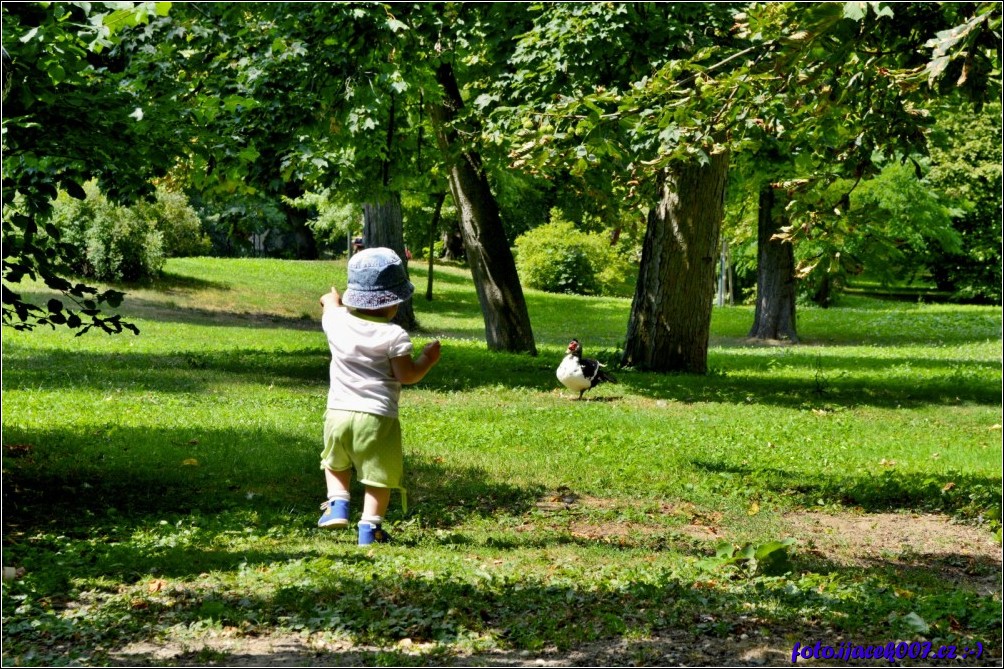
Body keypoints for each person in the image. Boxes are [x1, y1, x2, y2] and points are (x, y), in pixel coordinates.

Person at [317, 247, 441, 545]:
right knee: (378, 475)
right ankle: (369, 529)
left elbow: (329, 304)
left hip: (337, 413)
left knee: (334, 461)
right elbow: (406, 375)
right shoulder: (394, 336)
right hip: (376, 417)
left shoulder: (336, 321)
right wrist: (427, 360)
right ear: (394, 303)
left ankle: (337, 503)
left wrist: (331, 299)